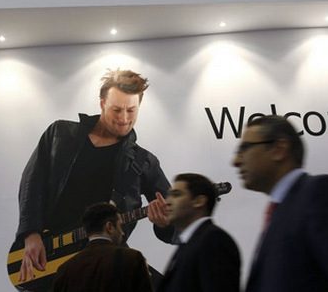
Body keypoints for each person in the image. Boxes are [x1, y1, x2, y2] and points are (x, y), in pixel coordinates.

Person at [16, 69, 173, 287]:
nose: (124, 119)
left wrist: (165, 223)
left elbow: (173, 215)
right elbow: (32, 184)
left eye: (131, 110)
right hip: (51, 255)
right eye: (117, 110)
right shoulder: (60, 134)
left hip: (106, 262)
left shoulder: (144, 161)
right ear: (102, 104)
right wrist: (31, 234)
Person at [232, 115, 328, 292]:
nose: (235, 161)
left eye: (245, 148)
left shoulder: (322, 193)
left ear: (279, 149)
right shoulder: (279, 214)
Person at [157, 173, 240, 292]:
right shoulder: (189, 244)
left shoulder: (214, 240)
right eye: (169, 195)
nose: (167, 202)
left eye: (176, 195)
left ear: (199, 201)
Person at [51, 202, 153, 292]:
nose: (122, 233)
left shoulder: (64, 270)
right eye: (120, 226)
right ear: (109, 227)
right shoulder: (132, 258)